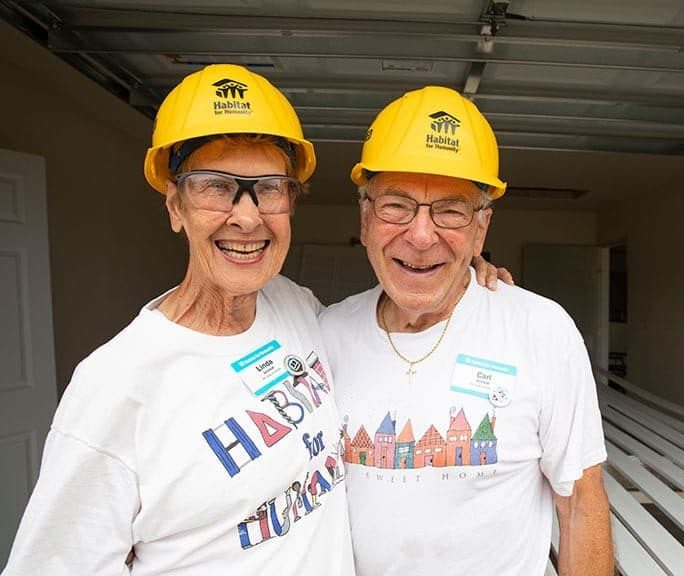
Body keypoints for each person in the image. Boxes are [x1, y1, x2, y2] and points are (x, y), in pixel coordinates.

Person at [1, 64, 355, 575]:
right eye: (216, 186)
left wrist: (469, 283)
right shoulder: (115, 385)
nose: (249, 216)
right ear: (175, 206)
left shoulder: (293, 304)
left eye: (271, 187)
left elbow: (378, 335)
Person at [320, 86, 613, 576]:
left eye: (451, 211)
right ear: (365, 218)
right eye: (396, 205)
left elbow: (580, 502)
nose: (420, 235)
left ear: (481, 229)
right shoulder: (324, 334)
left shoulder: (540, 329)